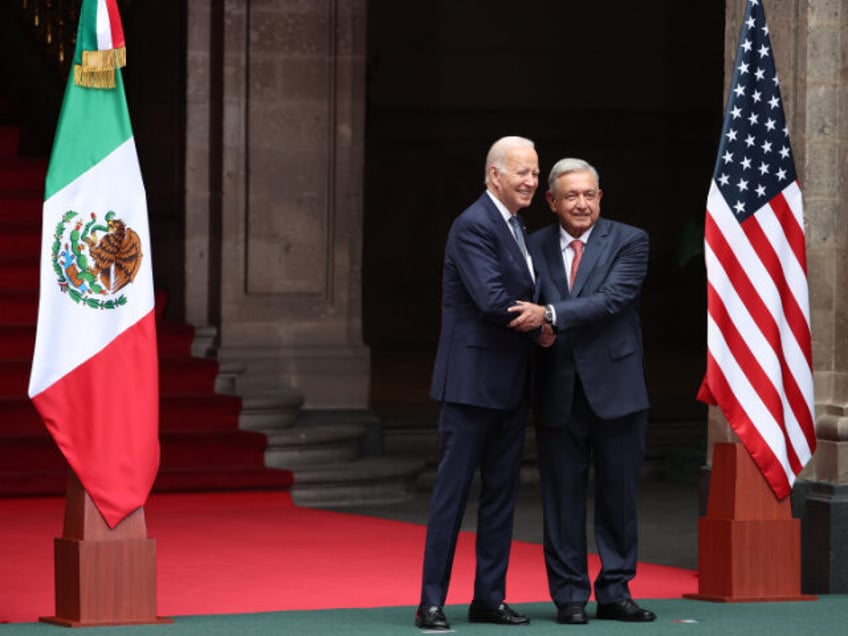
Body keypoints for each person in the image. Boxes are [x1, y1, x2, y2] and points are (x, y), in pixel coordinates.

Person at [508, 157, 655, 624]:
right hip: (559, 389)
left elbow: (613, 299)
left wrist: (549, 316)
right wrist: (538, 331)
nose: (582, 204)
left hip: (617, 389)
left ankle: (616, 591)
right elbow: (522, 310)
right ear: (551, 201)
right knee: (562, 499)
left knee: (618, 497)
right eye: (571, 196)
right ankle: (569, 595)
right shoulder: (530, 247)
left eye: (590, 195)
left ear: (600, 197)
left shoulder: (630, 240)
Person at [416, 136, 544, 630]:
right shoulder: (472, 225)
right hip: (470, 386)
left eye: (535, 172)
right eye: (522, 172)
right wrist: (546, 319)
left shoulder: (515, 226)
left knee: (501, 496)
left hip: (512, 384)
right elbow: (493, 299)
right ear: (494, 175)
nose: (532, 180)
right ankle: (431, 602)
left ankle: (489, 597)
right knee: (452, 495)